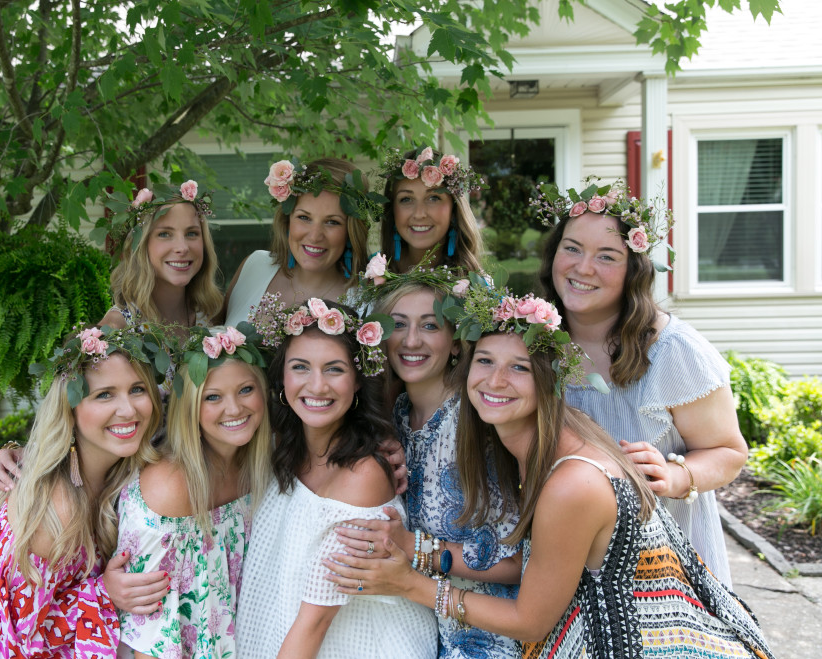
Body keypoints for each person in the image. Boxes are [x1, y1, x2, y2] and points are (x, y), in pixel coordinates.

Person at [326, 290, 775, 659]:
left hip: (643, 646)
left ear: (550, 381)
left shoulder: (572, 482)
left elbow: (530, 618)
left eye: (519, 367)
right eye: (485, 361)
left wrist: (410, 581)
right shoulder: (541, 442)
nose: (496, 380)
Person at [0, 327, 168, 658]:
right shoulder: (56, 507)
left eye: (137, 389)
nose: (128, 410)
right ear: (71, 409)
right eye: (104, 395)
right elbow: (16, 636)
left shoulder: (122, 475)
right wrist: (104, 592)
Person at [533, 182, 747, 585]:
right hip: (564, 568)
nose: (583, 267)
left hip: (664, 574)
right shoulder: (533, 343)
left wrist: (676, 476)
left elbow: (729, 452)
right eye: (572, 247)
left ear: (635, 269)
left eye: (607, 256)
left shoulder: (674, 351)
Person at [334, 274, 523, 658]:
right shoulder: (397, 417)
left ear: (455, 342)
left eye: (430, 325)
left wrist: (414, 547)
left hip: (489, 638)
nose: (411, 340)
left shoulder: (479, 422)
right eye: (398, 324)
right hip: (419, 632)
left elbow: (519, 561)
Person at [236, 298, 437, 657]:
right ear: (281, 376)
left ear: (358, 380)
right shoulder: (278, 449)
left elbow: (315, 622)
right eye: (300, 367)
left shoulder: (363, 476)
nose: (317, 386)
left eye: (334, 369)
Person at [115, 324, 273, 658]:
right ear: (190, 408)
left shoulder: (260, 465)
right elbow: (152, 635)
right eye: (213, 397)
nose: (234, 409)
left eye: (245, 390)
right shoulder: (172, 485)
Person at [222, 157, 377, 325]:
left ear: (350, 231)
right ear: (287, 220)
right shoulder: (254, 267)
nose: (314, 236)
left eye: (332, 222)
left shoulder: (367, 303)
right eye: (304, 217)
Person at [102, 180, 222, 331]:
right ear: (141, 244)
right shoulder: (118, 325)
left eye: (192, 233)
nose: (182, 248)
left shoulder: (210, 315)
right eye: (164, 234)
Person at [378, 145, 484, 274]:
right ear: (392, 211)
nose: (419, 214)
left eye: (433, 198)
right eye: (406, 199)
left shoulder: (476, 285)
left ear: (454, 209)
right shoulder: (369, 274)